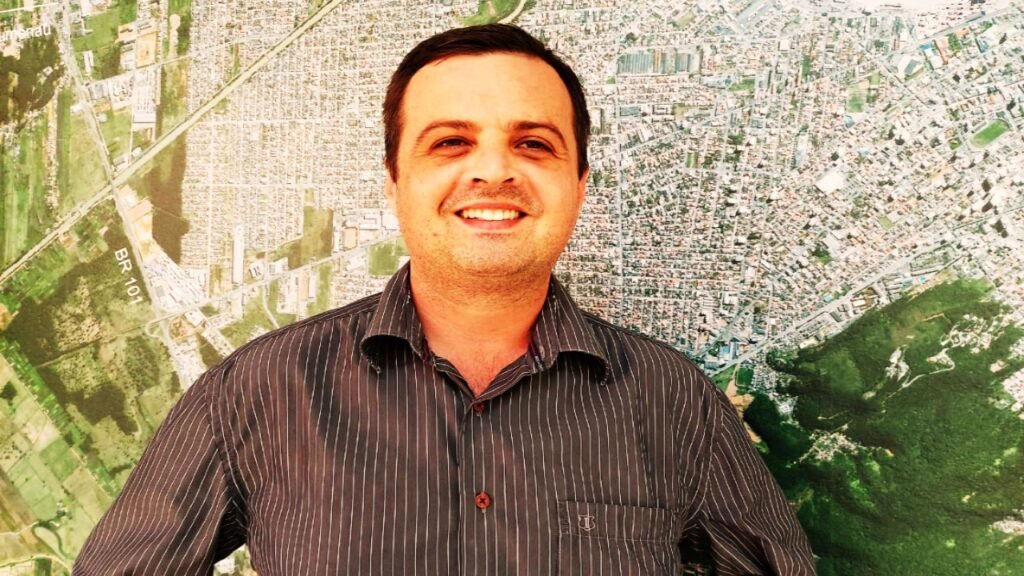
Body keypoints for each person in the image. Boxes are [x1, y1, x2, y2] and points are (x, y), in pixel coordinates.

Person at [74, 24, 815, 575]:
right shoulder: (255, 393)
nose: (493, 171)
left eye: (534, 144)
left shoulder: (673, 401)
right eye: (450, 142)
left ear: (579, 185)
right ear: (394, 182)